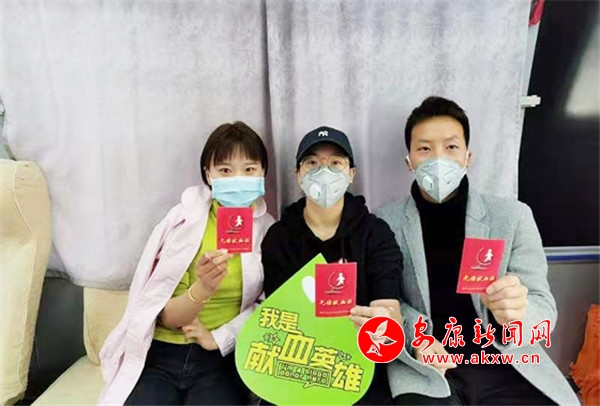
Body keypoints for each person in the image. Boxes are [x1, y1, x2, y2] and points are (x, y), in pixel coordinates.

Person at [377, 96, 580, 405]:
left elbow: (543, 306)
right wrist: (418, 338)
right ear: (409, 161)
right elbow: (388, 300)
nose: (438, 158)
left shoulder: (512, 217)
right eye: (424, 149)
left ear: (468, 157)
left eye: (451, 147)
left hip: (506, 361)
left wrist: (516, 313)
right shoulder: (385, 221)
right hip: (429, 367)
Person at [98, 122, 275, 405]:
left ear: (263, 173)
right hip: (163, 353)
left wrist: (218, 338)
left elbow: (268, 306)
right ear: (208, 174)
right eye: (225, 171)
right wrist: (203, 287)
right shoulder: (183, 222)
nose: (238, 179)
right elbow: (167, 316)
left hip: (220, 360)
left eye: (249, 169)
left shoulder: (269, 231)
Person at [261, 126, 403, 405]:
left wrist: (383, 323)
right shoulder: (279, 237)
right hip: (296, 364)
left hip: (358, 366)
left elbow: (389, 309)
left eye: (335, 162)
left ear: (351, 173)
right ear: (298, 175)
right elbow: (276, 316)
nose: (324, 171)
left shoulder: (375, 233)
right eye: (312, 163)